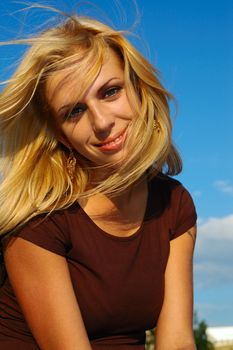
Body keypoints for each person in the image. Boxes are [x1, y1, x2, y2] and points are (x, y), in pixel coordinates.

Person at [0, 8, 197, 350]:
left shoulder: (174, 205)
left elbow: (177, 341)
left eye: (110, 92)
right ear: (61, 135)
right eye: (74, 111)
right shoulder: (40, 221)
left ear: (137, 89)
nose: (102, 121)